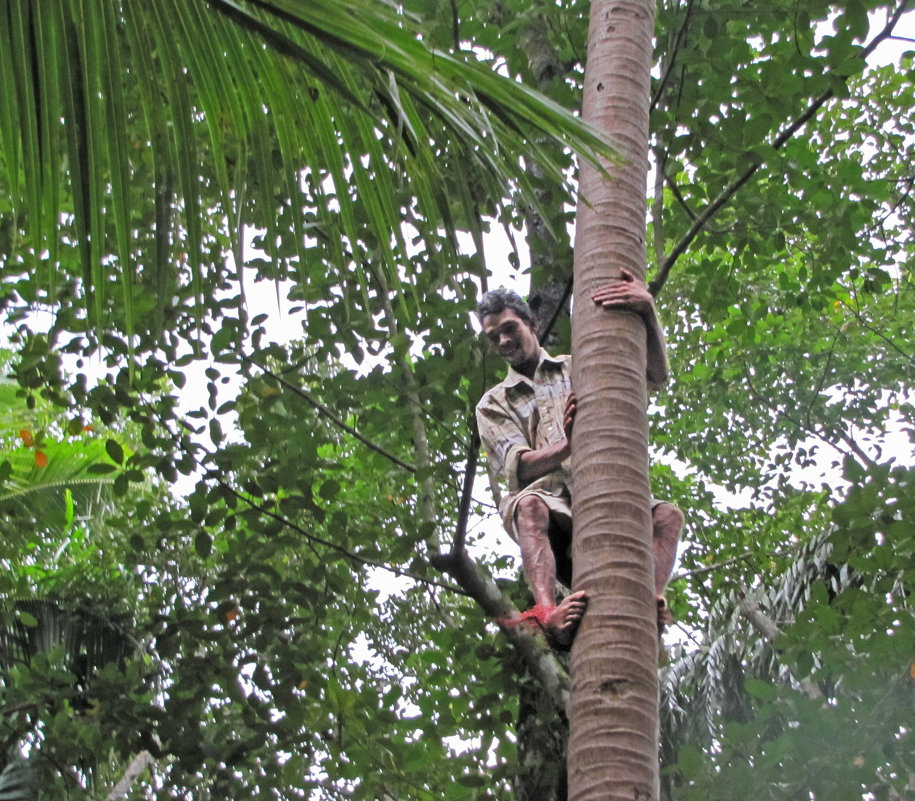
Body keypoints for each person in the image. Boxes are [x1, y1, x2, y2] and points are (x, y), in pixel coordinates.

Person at [475, 271, 683, 648]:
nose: (503, 341)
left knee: (667, 517)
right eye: (494, 337)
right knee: (529, 506)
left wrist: (648, 310)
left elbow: (654, 376)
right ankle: (546, 612)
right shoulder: (493, 403)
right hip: (546, 504)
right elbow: (518, 467)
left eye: (509, 328)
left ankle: (648, 599)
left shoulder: (577, 366)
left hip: (601, 490)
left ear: (531, 323)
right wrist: (568, 445)